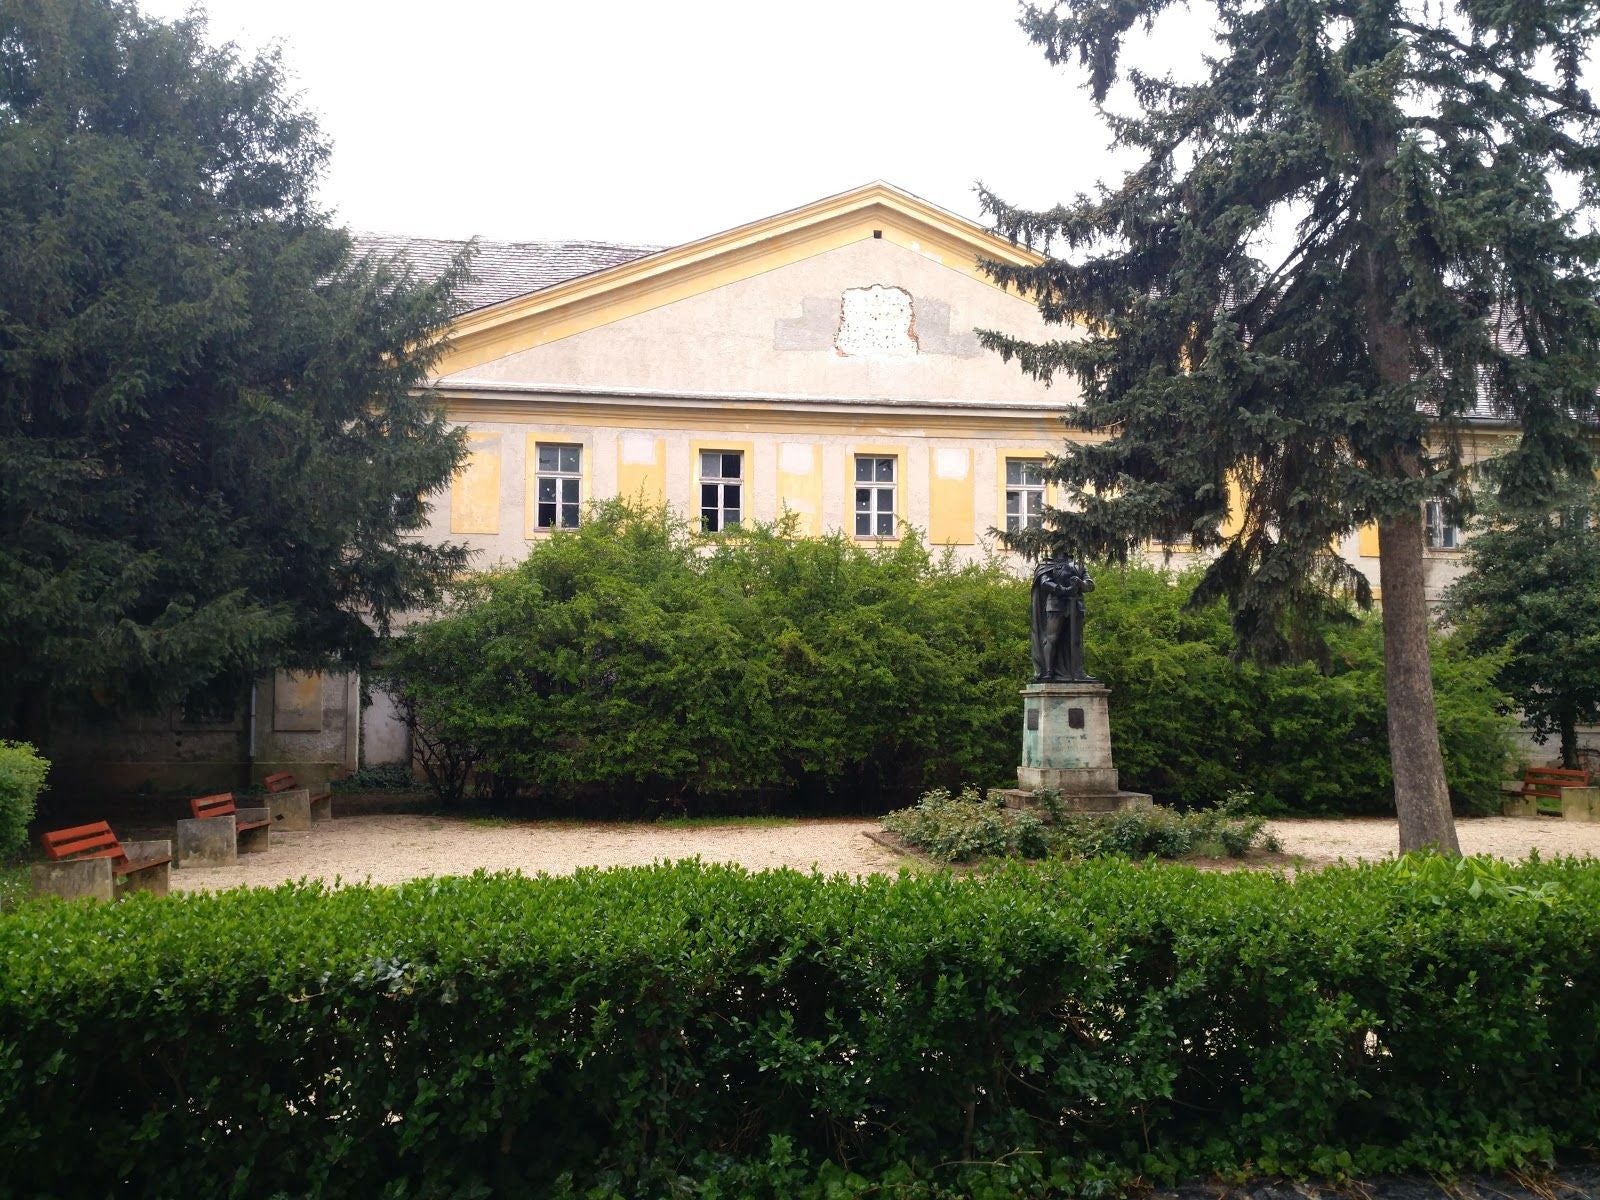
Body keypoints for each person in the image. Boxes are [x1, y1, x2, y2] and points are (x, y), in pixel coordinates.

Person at [1030, 557, 1095, 682]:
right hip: (1055, 604)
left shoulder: (1078, 564)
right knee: (1051, 638)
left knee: (1076, 640)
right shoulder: (1048, 563)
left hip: (1076, 605)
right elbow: (1044, 582)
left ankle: (1078, 672)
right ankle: (1048, 672)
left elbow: (1090, 585)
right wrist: (1063, 589)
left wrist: (1080, 583)